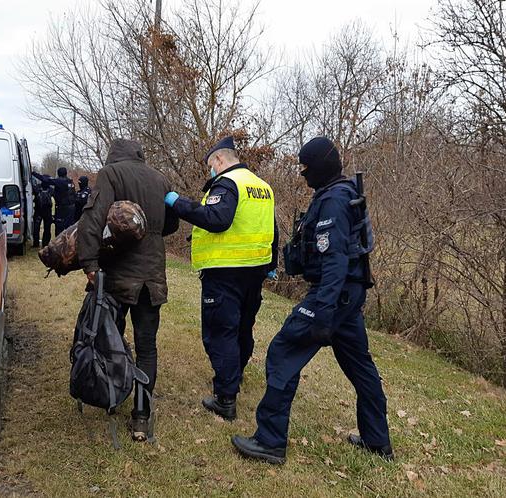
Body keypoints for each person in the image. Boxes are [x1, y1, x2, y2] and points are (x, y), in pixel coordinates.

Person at [231, 137, 393, 465]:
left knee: (282, 352)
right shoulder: (339, 193)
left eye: (305, 168)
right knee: (360, 367)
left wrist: (322, 311)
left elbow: (334, 259)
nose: (302, 174)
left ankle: (270, 441)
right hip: (347, 296)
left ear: (319, 167)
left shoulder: (334, 200)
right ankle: (377, 441)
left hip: (332, 294)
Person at [165, 136, 278, 421]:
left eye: (210, 166)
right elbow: (273, 230)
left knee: (220, 332)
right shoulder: (262, 186)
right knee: (242, 328)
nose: (210, 171)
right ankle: (234, 376)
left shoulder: (228, 183)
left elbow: (217, 219)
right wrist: (272, 263)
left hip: (225, 272)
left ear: (218, 160)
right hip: (255, 270)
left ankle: (225, 398)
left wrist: (178, 203)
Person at [77, 138, 179, 441]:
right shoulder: (161, 179)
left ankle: (112, 395)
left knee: (112, 340)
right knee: (147, 346)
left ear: (113, 155)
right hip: (152, 275)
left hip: (117, 275)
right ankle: (141, 419)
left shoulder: (111, 174)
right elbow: (172, 224)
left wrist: (89, 263)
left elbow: (92, 219)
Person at [32, 167, 76, 235]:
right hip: (71, 208)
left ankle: (59, 243)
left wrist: (33, 173)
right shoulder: (70, 181)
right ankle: (68, 243)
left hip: (62, 208)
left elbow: (45, 180)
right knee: (69, 227)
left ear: (59, 174)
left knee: (59, 227)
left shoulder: (60, 181)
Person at [32, 176, 53, 248]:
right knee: (47, 228)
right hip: (47, 211)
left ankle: (36, 243)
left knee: (36, 228)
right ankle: (45, 243)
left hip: (38, 210)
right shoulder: (51, 189)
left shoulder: (37, 187)